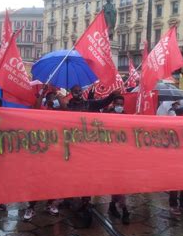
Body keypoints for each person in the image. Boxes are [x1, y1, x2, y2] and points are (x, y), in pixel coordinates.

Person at [66, 84, 120, 226]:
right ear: (71, 93)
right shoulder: (68, 106)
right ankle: (71, 197)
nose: (78, 93)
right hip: (73, 146)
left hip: (89, 146)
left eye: (79, 91)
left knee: (87, 175)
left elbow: (103, 103)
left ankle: (86, 200)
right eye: (75, 91)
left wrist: (113, 95)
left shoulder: (90, 104)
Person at [22, 90, 62, 221]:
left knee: (54, 181)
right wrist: (43, 93)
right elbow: (36, 107)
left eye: (54, 98)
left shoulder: (59, 113)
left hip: (55, 153)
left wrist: (59, 98)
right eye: (49, 98)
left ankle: (50, 204)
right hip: (39, 152)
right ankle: (31, 207)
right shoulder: (40, 111)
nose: (52, 100)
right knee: (37, 181)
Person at [105, 95, 130, 225]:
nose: (119, 106)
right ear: (113, 104)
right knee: (118, 183)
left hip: (122, 155)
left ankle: (113, 205)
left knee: (120, 183)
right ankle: (124, 210)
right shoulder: (106, 116)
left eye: (121, 104)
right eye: (117, 104)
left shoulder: (126, 115)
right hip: (110, 155)